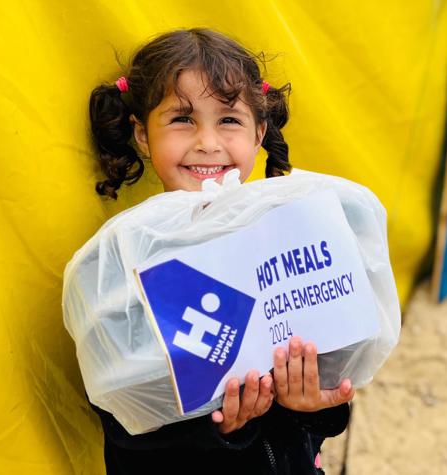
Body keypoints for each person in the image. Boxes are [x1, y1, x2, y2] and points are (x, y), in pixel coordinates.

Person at [87, 28, 354, 474]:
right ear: (141, 134)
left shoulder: (289, 235)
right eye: (182, 119)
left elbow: (330, 365)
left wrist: (312, 405)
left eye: (229, 120)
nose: (207, 142)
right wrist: (220, 430)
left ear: (259, 133)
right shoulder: (125, 263)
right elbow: (124, 417)